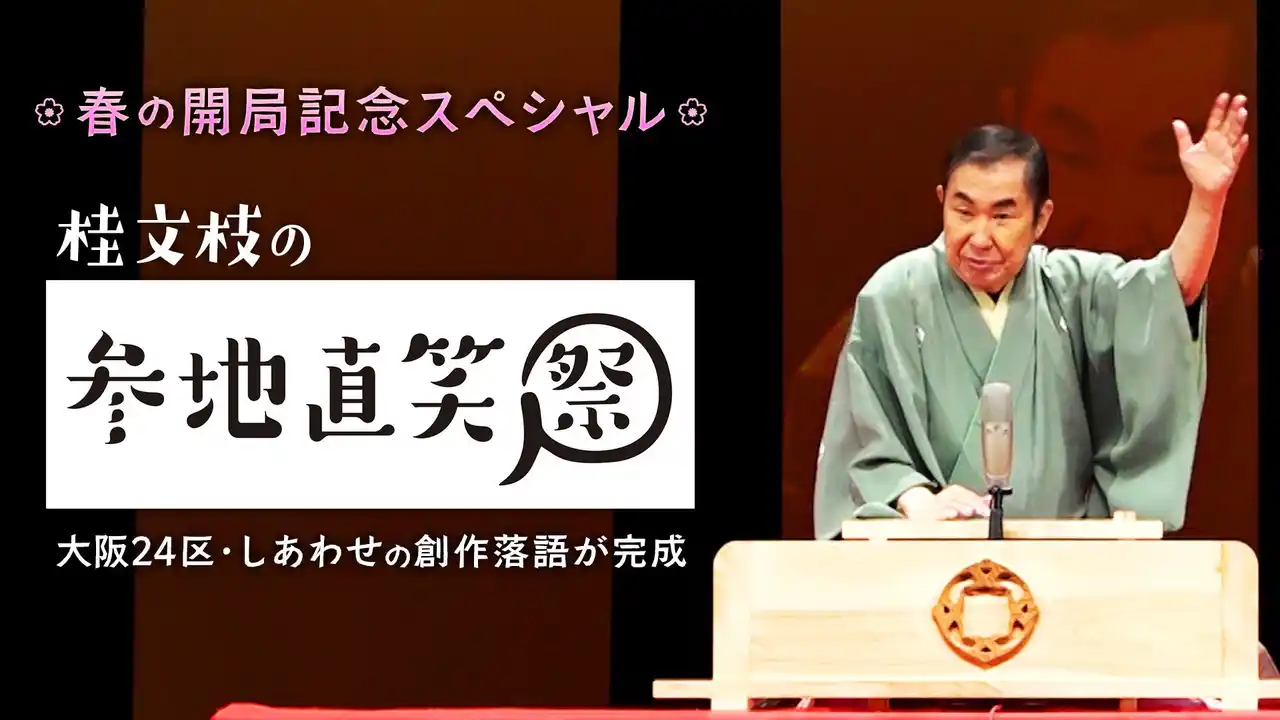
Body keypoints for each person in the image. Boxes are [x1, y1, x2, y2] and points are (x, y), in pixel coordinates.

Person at [782, 1, 1258, 545]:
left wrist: (1206, 200)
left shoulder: (1072, 286)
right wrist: (916, 501)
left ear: (1040, 219)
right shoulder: (893, 294)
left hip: (1063, 556)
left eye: (1003, 215)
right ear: (941, 202)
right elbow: (866, 445)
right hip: (926, 556)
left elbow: (1168, 294)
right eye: (964, 211)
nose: (980, 235)